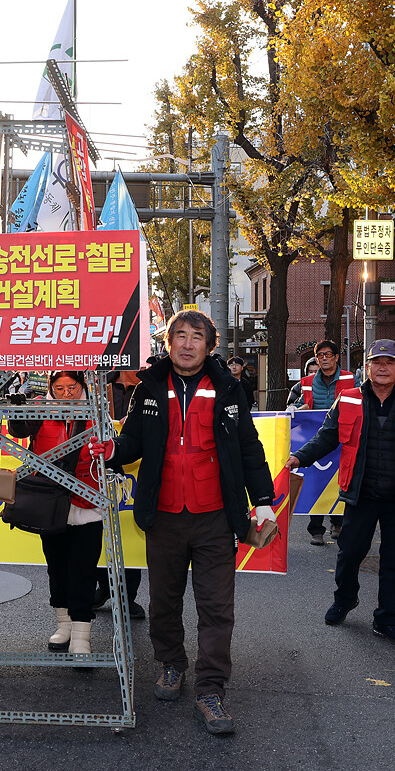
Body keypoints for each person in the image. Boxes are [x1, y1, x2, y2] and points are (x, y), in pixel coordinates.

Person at [99, 310, 276, 735]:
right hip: (162, 515)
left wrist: (264, 501)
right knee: (164, 601)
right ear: (168, 342)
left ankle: (210, 689)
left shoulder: (231, 390)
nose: (187, 343)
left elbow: (249, 449)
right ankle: (171, 665)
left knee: (217, 607)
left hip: (216, 516)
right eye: (179, 335)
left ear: (210, 345)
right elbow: (133, 442)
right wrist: (110, 450)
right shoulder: (149, 388)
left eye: (197, 336)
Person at [286, 339, 395, 646]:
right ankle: (345, 600)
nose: (382, 368)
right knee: (349, 553)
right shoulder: (348, 399)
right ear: (366, 367)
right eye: (376, 362)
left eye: (389, 362)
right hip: (360, 494)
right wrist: (299, 456)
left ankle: (386, 619)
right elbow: (326, 438)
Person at [8, 371, 112, 653]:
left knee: (84, 569)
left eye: (72, 387)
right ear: (51, 387)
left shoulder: (98, 407)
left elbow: (114, 447)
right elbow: (19, 431)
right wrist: (16, 410)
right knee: (56, 567)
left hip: (88, 503)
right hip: (50, 504)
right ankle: (63, 625)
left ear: (83, 385)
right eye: (60, 387)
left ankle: (81, 635)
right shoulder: (40, 408)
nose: (67, 393)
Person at [95, 366, 146, 617]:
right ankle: (103, 588)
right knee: (99, 530)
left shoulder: (148, 388)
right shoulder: (103, 386)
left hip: (133, 470)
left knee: (127, 534)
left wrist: (136, 422)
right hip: (101, 463)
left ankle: (128, 596)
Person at [293, 340, 354, 545]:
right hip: (318, 439)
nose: (324, 358)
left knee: (340, 481)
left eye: (329, 354)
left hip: (345, 439)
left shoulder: (351, 379)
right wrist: (293, 411)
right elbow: (306, 405)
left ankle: (338, 523)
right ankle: (316, 530)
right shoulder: (308, 381)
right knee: (316, 482)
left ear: (337, 357)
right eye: (320, 355)